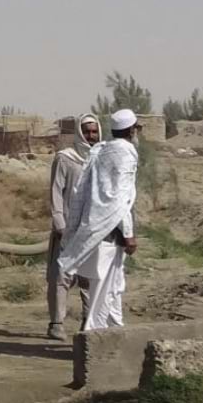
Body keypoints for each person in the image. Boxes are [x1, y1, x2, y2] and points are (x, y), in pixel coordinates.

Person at [57, 110, 142, 379]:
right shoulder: (125, 152)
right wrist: (128, 233)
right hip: (109, 234)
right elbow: (120, 198)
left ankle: (118, 341)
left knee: (113, 291)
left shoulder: (102, 150)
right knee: (101, 296)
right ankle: (91, 350)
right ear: (131, 131)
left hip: (97, 231)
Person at [45, 114, 101, 339]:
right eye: (87, 131)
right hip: (68, 227)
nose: (91, 136)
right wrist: (60, 223)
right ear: (79, 132)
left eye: (94, 131)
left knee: (90, 278)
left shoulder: (101, 157)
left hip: (92, 229)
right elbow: (56, 191)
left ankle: (88, 324)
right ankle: (57, 323)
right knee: (61, 277)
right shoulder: (65, 159)